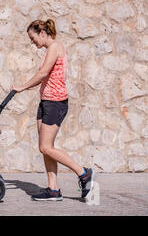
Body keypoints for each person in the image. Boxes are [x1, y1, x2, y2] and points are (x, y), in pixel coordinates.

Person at [12, 19, 95, 201]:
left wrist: (22, 87)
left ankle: (83, 173)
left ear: (42, 33)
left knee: (45, 146)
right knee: (45, 149)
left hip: (55, 103)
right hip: (46, 102)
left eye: (33, 37)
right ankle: (53, 189)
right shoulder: (48, 50)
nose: (32, 42)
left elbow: (42, 74)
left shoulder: (55, 47)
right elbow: (44, 77)